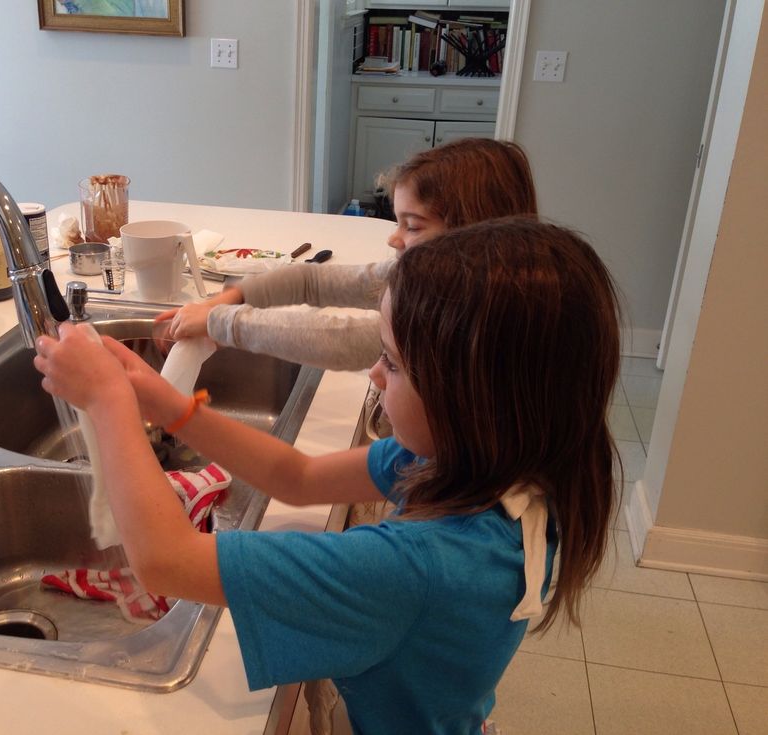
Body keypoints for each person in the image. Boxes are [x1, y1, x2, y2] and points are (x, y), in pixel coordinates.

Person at [32, 217, 621, 734]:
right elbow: (299, 477)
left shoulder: (413, 569)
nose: (373, 374)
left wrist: (109, 403)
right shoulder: (486, 469)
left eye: (393, 362)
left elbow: (169, 562)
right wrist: (170, 407)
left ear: (473, 400)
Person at [156, 138, 538, 370]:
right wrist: (225, 300)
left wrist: (222, 324)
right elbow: (311, 280)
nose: (394, 239)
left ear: (470, 236)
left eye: (413, 226)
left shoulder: (456, 315)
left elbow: (340, 339)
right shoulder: (423, 278)